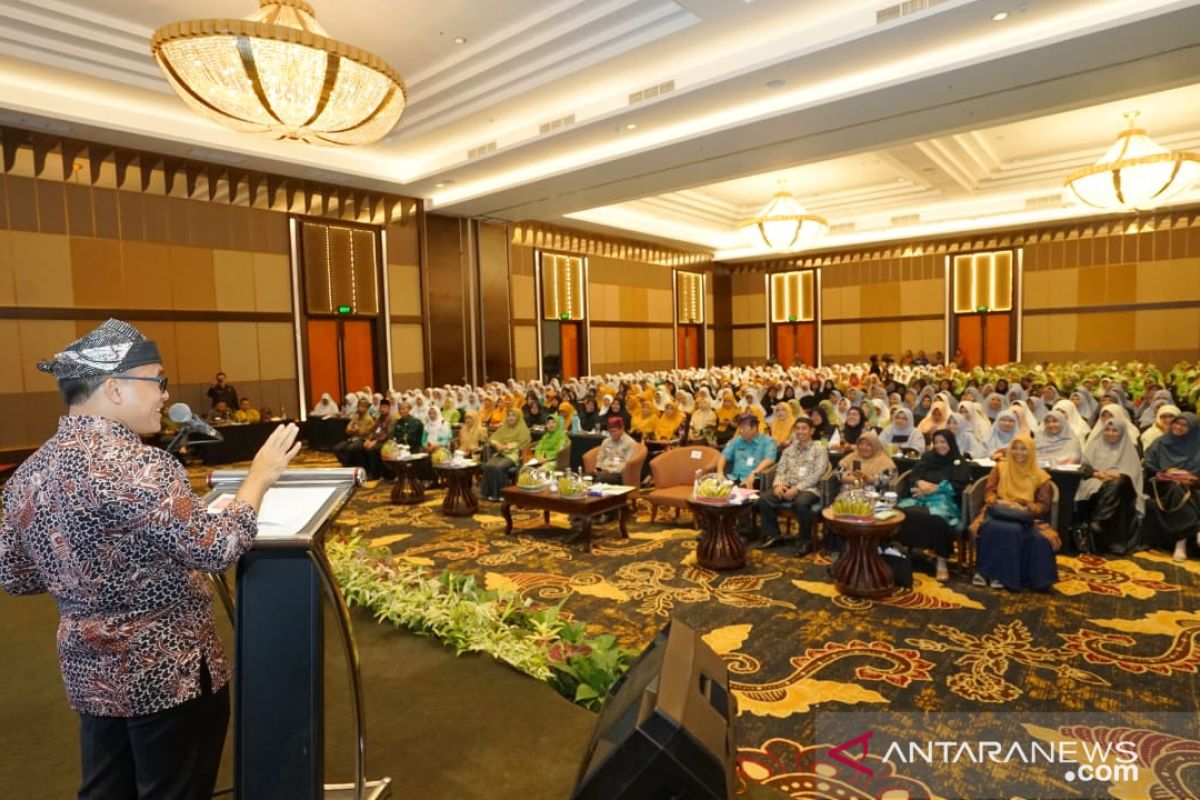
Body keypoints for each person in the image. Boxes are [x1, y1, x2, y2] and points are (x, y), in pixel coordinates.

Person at [0, 319, 300, 800]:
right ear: (115, 388)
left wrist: (94, 573)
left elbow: (14, 576)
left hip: (90, 671)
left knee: (105, 790)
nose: (164, 394)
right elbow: (217, 547)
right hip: (168, 670)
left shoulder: (28, 473)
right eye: (157, 380)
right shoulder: (137, 463)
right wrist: (259, 478)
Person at [971, 434, 1060, 591]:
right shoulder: (1000, 467)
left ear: (1031, 451)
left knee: (1012, 530)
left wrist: (1025, 507)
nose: (1019, 453)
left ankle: (999, 575)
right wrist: (999, 502)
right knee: (992, 526)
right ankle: (986, 572)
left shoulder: (1041, 476)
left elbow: (1043, 506)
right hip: (998, 510)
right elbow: (989, 493)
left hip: (1021, 516)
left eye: (1023, 449)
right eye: (1015, 448)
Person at [896, 429, 973, 582]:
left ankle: (941, 561)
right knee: (899, 513)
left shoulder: (958, 462)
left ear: (950, 443)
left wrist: (936, 488)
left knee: (937, 520)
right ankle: (897, 552)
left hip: (945, 502)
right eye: (936, 442)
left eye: (943, 442)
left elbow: (959, 485)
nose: (939, 445)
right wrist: (921, 484)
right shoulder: (927, 457)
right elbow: (913, 477)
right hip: (920, 497)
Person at [757, 417, 829, 554]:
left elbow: (817, 474)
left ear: (812, 431)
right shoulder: (788, 450)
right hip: (787, 485)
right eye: (797, 428)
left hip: (810, 488)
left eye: (804, 428)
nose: (800, 431)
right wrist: (778, 485)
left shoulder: (820, 449)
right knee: (764, 499)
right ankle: (774, 535)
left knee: (801, 503)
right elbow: (780, 469)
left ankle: (804, 541)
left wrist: (797, 489)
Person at [1076, 418, 1143, 555]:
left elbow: (1134, 475)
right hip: (1096, 481)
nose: (1110, 433)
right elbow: (1083, 466)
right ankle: (1099, 522)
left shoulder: (1128, 449)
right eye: (1107, 430)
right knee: (1104, 487)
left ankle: (1100, 520)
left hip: (1124, 489)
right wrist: (1096, 473)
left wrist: (1120, 475)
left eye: (1114, 430)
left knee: (1118, 485)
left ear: (1122, 433)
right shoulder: (1094, 445)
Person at [1141, 413, 1200, 562]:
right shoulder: (1161, 442)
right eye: (1176, 423)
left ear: (1192, 428)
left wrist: (1192, 476)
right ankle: (1193, 531)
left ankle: (1181, 543)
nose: (1178, 427)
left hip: (1192, 485)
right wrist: (1164, 472)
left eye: (1184, 425)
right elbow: (1148, 464)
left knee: (1179, 489)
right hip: (1162, 485)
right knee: (1175, 487)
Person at [479, 410, 531, 501]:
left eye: (513, 416)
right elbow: (492, 438)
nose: (510, 418)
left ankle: (502, 494)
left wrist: (507, 446)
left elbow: (522, 442)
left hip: (514, 454)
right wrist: (497, 444)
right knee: (488, 466)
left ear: (518, 417)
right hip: (501, 452)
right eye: (509, 416)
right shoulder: (503, 428)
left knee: (498, 467)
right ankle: (489, 493)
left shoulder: (523, 429)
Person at [717, 414, 777, 490]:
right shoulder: (737, 440)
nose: (740, 431)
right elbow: (724, 456)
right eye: (740, 428)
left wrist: (754, 473)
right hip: (734, 478)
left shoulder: (767, 441)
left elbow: (769, 459)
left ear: (754, 428)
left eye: (744, 428)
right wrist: (720, 472)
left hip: (755, 479)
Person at [592, 417, 639, 484]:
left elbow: (627, 464)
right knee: (586, 477)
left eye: (614, 431)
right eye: (610, 431)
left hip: (618, 473)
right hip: (604, 470)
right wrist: (598, 468)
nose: (612, 434)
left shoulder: (630, 443)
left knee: (599, 479)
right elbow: (600, 458)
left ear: (622, 429)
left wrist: (610, 471)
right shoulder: (606, 441)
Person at [357, 399, 395, 480]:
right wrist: (368, 439)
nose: (382, 409)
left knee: (372, 449)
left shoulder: (391, 419)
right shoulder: (379, 418)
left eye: (384, 407)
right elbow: (373, 431)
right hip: (376, 440)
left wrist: (376, 441)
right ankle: (367, 471)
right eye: (381, 407)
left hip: (387, 441)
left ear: (389, 408)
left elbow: (388, 434)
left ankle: (375, 474)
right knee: (362, 447)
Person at [334, 397, 374, 467]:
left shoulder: (369, 419)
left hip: (363, 440)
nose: (359, 408)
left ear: (366, 408)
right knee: (337, 448)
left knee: (351, 448)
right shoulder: (356, 416)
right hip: (352, 439)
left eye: (362, 407)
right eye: (358, 406)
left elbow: (361, 432)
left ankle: (359, 466)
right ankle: (347, 465)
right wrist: (354, 430)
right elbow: (347, 430)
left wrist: (353, 430)